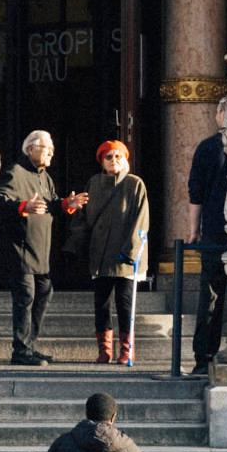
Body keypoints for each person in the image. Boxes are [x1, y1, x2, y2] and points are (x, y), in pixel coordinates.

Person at [77, 139, 149, 372]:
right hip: (100, 253)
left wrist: (131, 250)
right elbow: (85, 216)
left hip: (125, 254)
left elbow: (141, 218)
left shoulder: (134, 184)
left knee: (125, 302)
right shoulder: (94, 183)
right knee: (102, 303)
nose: (114, 160)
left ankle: (127, 349)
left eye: (118, 156)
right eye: (109, 157)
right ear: (102, 161)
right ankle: (104, 350)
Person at [0, 128, 59, 363]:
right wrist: (23, 206)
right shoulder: (15, 171)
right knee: (26, 295)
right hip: (21, 248)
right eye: (47, 150)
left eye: (52, 151)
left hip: (40, 250)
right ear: (31, 148)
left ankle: (29, 343)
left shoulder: (45, 176)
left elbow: (51, 203)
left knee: (45, 291)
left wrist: (66, 203)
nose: (51, 154)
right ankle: (21, 350)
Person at [185, 120, 227, 374]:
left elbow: (196, 192)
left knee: (212, 294)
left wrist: (194, 230)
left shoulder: (209, 147)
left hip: (215, 229)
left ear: (219, 117)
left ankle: (204, 357)